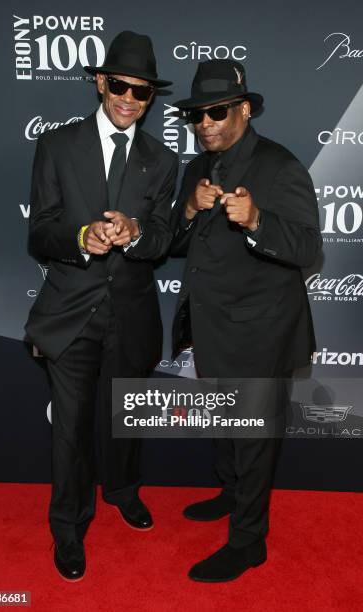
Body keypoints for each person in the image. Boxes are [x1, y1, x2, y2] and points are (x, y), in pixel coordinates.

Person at [25, 30, 178, 581]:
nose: (128, 99)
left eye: (141, 92)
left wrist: (137, 232)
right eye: (119, 85)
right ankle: (68, 527)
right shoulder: (58, 146)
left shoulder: (162, 163)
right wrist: (81, 236)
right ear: (99, 82)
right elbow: (40, 232)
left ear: (150, 98)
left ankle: (122, 490)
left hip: (132, 314)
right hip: (71, 314)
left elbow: (164, 239)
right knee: (70, 431)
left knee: (124, 421)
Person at [170, 59, 322, 582]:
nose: (204, 124)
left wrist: (258, 220)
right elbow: (176, 241)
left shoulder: (280, 166)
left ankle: (248, 541)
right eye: (195, 116)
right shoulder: (196, 167)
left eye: (215, 112)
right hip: (212, 326)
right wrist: (188, 210)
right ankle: (231, 494)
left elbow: (307, 247)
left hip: (263, 329)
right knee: (228, 426)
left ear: (241, 109)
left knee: (255, 440)